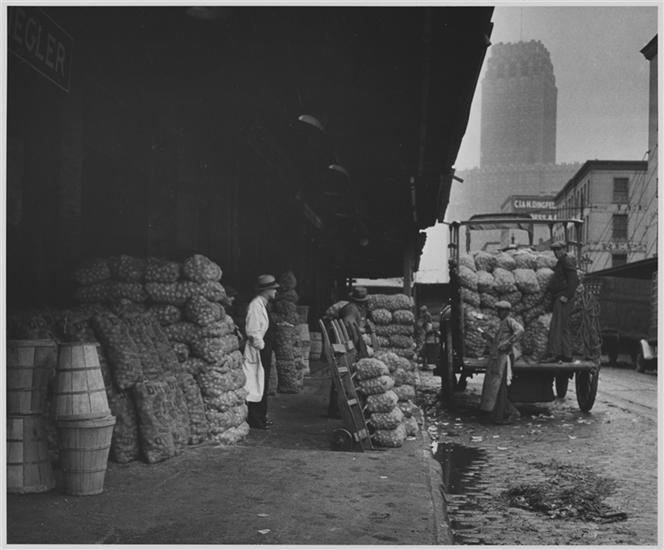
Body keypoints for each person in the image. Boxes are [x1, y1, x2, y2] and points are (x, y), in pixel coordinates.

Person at [328, 286, 372, 417]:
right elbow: (348, 325)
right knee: (343, 376)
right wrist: (360, 333)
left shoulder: (354, 308)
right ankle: (337, 409)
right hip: (346, 345)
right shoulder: (351, 309)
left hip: (347, 344)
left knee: (342, 376)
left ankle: (338, 408)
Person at [243, 274, 279, 430]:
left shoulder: (263, 305)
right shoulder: (255, 306)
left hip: (265, 349)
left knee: (262, 384)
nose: (275, 291)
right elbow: (252, 331)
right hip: (258, 350)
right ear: (266, 290)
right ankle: (255, 419)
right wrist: (261, 346)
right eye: (273, 289)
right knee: (256, 383)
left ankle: (261, 417)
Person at [479, 301, 524, 424]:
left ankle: (506, 413)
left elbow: (520, 330)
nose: (499, 313)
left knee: (501, 387)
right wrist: (488, 337)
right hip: (497, 358)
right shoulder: (501, 323)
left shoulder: (510, 321)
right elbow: (497, 342)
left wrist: (508, 343)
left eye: (501, 311)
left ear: (507, 311)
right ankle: (498, 413)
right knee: (495, 387)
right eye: (498, 310)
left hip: (504, 358)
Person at [544, 240, 579, 363]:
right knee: (563, 326)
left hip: (563, 298)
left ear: (564, 249)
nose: (556, 252)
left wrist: (567, 296)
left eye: (558, 249)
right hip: (560, 297)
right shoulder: (561, 262)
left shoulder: (566, 261)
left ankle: (556, 354)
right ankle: (566, 355)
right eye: (554, 250)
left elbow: (574, 280)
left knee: (557, 326)